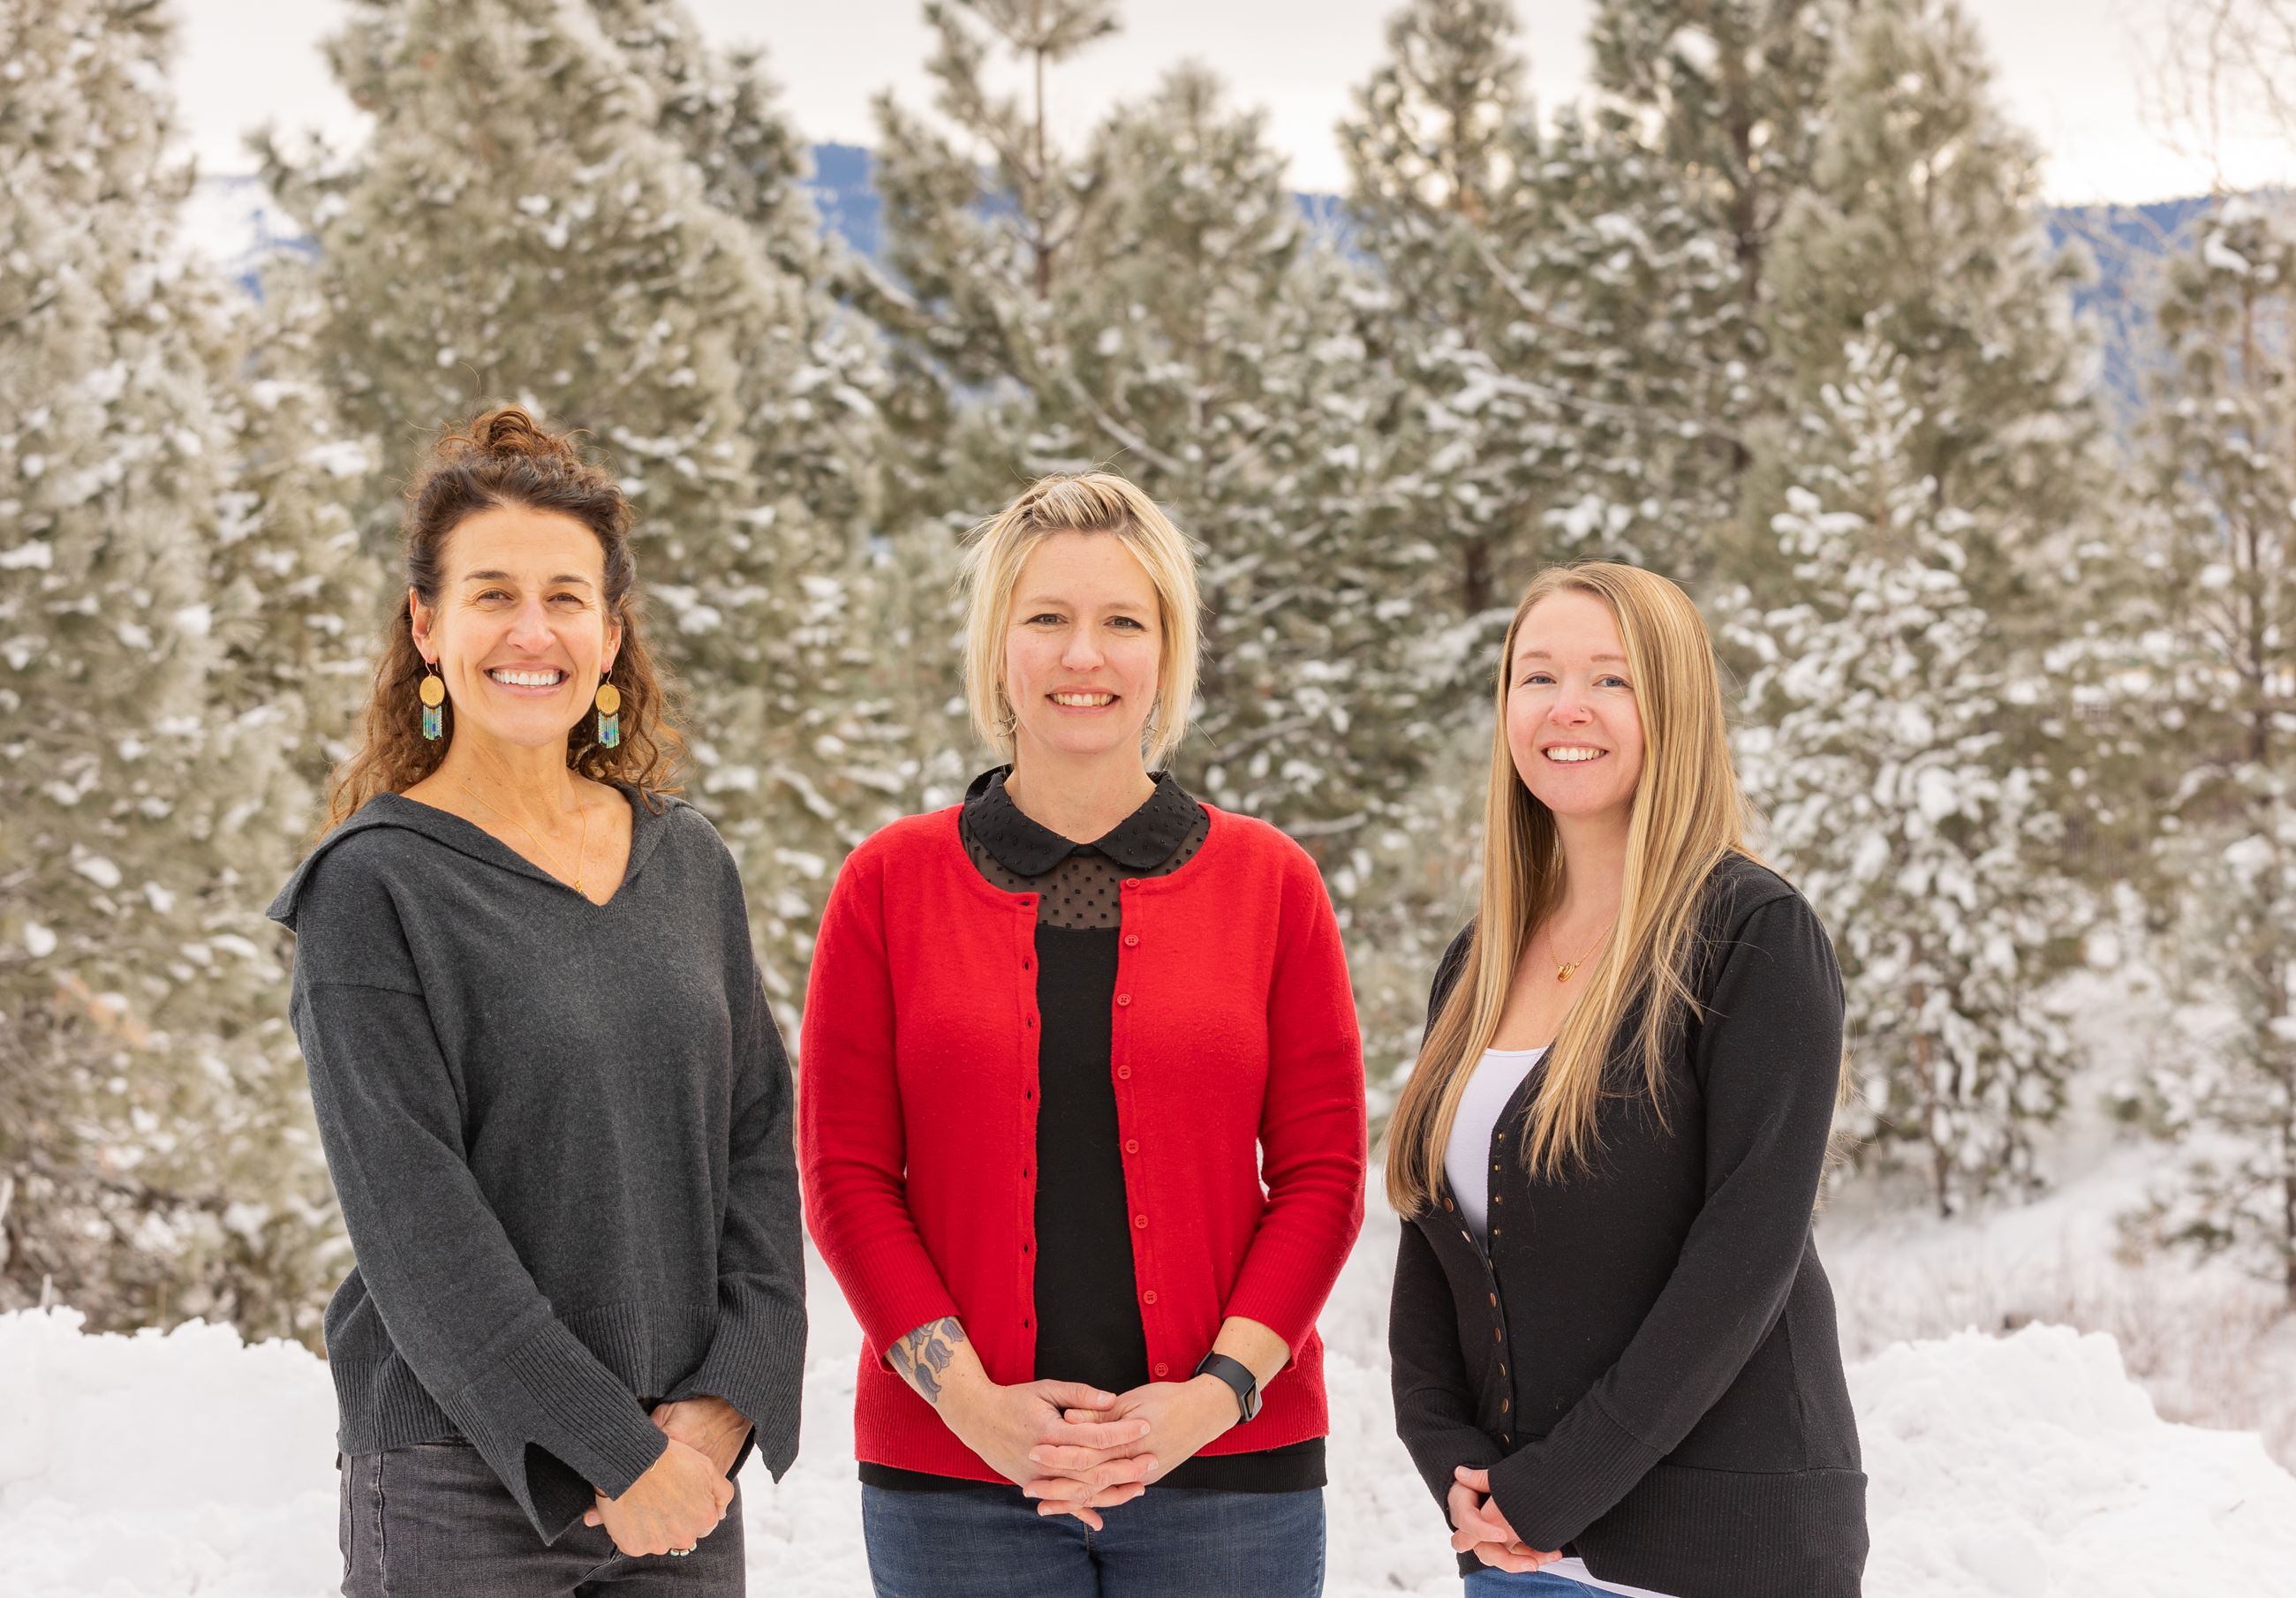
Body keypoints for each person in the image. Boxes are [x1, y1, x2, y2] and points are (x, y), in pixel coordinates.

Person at [266, 407, 805, 1596]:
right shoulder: (372, 886)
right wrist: (618, 1450)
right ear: (426, 624)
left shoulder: (688, 862)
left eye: (566, 597)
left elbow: (759, 1145)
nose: (531, 630)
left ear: (610, 636)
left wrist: (720, 1411)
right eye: (491, 593)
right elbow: (418, 1230)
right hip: (463, 1472)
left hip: (679, 1473)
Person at [799, 471, 1367, 1598]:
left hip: (1229, 1489)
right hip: (953, 1487)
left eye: (1122, 622)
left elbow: (1321, 1176)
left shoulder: (1271, 884)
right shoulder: (886, 886)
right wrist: (976, 1409)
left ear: (1167, 649)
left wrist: (1205, 1402)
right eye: (1046, 619)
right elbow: (846, 1179)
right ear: (996, 644)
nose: (1082, 657)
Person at [1385, 562, 1868, 1598]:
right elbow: (1431, 1236)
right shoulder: (1479, 960)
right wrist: (1451, 1463)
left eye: (1611, 680)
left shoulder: (1752, 935)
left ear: (1674, 709)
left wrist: (1557, 1487)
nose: (1567, 708)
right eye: (1536, 675)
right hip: (1520, 1547)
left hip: (1720, 1549)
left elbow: (1746, 1255)